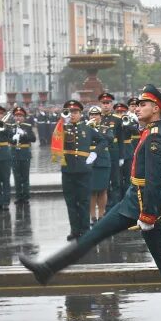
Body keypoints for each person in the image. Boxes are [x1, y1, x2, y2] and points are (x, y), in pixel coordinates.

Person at [21, 85, 161, 321]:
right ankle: (47, 269)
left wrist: (147, 215)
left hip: (144, 204)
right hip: (132, 200)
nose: (137, 109)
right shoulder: (150, 131)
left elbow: (154, 180)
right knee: (94, 235)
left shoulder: (157, 136)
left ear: (156, 109)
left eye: (143, 105)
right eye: (137, 105)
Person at [58, 99, 106, 240]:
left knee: (84, 201)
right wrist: (63, 123)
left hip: (84, 170)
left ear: (80, 113)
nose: (72, 114)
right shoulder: (62, 128)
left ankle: (85, 230)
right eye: (69, 111)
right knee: (71, 202)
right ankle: (74, 230)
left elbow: (103, 140)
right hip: (67, 169)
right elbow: (55, 141)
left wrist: (94, 153)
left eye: (75, 112)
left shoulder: (87, 128)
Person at [86, 106, 116, 224]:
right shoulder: (84, 128)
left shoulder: (105, 128)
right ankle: (93, 216)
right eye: (91, 115)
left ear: (100, 116)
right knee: (92, 190)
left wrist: (96, 131)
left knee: (103, 189)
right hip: (90, 160)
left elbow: (110, 139)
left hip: (103, 160)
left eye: (96, 114)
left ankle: (102, 215)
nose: (94, 117)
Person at [98, 92, 125, 213]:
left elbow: (121, 139)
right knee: (104, 181)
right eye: (103, 103)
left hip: (114, 152)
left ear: (111, 104)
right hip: (102, 153)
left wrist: (121, 156)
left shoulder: (117, 120)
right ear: (100, 104)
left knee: (115, 180)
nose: (106, 105)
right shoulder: (96, 118)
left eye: (108, 103)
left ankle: (116, 206)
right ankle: (106, 207)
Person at [10, 107, 37, 204]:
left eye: (20, 116)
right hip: (14, 154)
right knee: (16, 176)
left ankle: (25, 197)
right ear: (14, 117)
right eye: (16, 116)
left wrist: (24, 134)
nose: (18, 118)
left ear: (24, 117)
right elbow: (7, 139)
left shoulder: (28, 126)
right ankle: (18, 196)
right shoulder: (11, 126)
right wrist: (13, 138)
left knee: (25, 176)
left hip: (25, 153)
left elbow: (33, 139)